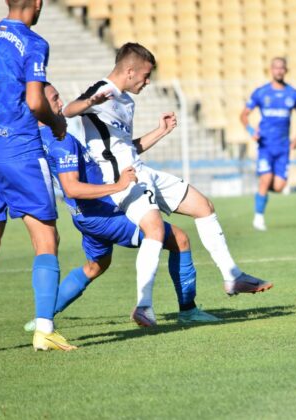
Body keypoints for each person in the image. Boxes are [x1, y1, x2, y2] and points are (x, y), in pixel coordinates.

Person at [62, 43, 271, 323]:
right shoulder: (102, 90)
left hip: (140, 170)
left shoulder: (127, 101)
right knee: (155, 229)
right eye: (146, 75)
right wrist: (90, 102)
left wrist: (160, 131)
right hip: (123, 179)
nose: (148, 81)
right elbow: (69, 110)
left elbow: (126, 147)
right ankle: (144, 306)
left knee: (203, 207)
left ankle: (232, 276)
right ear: (130, 70)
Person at [22, 83, 219, 332]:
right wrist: (118, 186)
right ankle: (188, 311)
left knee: (96, 266)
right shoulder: (61, 141)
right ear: (38, 105)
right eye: (55, 99)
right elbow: (71, 188)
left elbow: (122, 154)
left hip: (84, 216)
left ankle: (43, 318)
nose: (61, 103)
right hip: (104, 214)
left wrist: (159, 132)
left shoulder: (38, 139)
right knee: (179, 240)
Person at [0, 0, 75, 352]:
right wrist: (57, 122)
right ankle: (44, 329)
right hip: (19, 151)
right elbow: (35, 101)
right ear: (38, 3)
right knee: (46, 238)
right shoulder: (32, 42)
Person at [240, 57, 296, 231]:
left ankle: (263, 185)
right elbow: (244, 115)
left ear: (286, 70)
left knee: (279, 186)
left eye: (281, 68)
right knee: (266, 178)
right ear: (271, 70)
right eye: (276, 68)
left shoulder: (293, 94)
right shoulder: (261, 93)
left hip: (283, 147)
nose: (279, 71)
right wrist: (251, 131)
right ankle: (258, 218)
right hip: (265, 146)